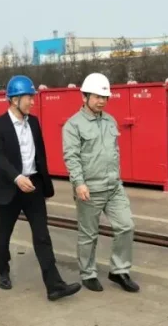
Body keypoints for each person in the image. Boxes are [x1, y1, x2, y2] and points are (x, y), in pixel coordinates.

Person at [0, 75, 82, 301]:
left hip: (33, 187)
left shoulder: (34, 122)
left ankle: (54, 286)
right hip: (10, 188)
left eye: (32, 97)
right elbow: (0, 158)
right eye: (28, 98)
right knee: (4, 234)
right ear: (14, 100)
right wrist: (16, 177)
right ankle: (2, 271)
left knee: (42, 236)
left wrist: (45, 186)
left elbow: (41, 156)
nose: (32, 102)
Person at [62, 72, 140, 293]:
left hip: (113, 187)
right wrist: (79, 183)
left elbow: (114, 152)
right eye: (97, 97)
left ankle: (119, 270)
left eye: (105, 97)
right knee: (89, 234)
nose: (102, 101)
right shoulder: (73, 125)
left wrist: (117, 178)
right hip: (89, 188)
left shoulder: (110, 121)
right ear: (84, 97)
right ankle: (88, 273)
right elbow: (71, 157)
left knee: (126, 226)